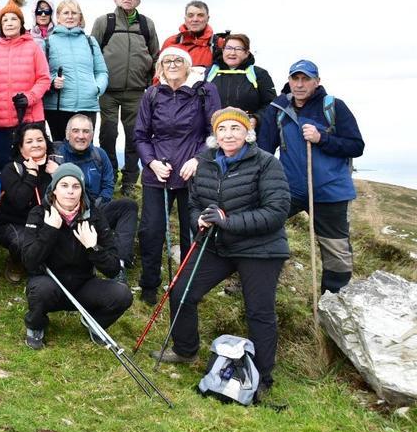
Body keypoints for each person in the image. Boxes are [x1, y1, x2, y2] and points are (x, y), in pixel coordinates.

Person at [152, 108, 291, 402]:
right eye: (222, 129)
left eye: (235, 128)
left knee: (259, 311)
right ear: (215, 134)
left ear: (247, 133)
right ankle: (185, 350)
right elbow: (194, 204)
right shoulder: (205, 162)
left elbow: (276, 211)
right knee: (181, 291)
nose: (228, 135)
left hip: (260, 248)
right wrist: (199, 220)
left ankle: (261, 375)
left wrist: (228, 222)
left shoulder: (267, 163)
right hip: (218, 245)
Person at [259, 60, 364, 293]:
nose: (299, 84)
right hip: (290, 188)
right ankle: (256, 281)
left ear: (317, 82)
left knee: (336, 250)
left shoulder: (333, 106)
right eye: (295, 79)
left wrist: (321, 138)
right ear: (289, 81)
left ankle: (334, 300)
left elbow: (356, 146)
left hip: (330, 190)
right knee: (261, 227)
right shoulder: (278, 108)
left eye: (305, 79)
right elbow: (264, 149)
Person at [134, 47, 220, 305]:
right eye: (166, 61)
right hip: (158, 175)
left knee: (190, 232)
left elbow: (214, 132)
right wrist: (151, 163)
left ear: (188, 65)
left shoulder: (205, 91)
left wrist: (198, 159)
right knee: (151, 231)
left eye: (178, 60)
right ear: (160, 67)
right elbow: (140, 135)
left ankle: (187, 285)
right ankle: (149, 284)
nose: (172, 65)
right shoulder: (152, 94)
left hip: (192, 175)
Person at [21, 164, 132, 349]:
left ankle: (94, 323)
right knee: (40, 290)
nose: (70, 191)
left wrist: (92, 247)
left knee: (122, 295)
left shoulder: (94, 216)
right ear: (54, 189)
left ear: (82, 190)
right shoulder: (39, 214)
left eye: (76, 186)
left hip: (83, 286)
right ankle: (36, 325)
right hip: (51, 284)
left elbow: (113, 269)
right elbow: (29, 261)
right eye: (64, 185)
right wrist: (50, 230)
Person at [0, 0, 51, 181]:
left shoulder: (33, 47)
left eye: (13, 19)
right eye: (5, 20)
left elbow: (44, 79)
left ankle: (34, 198)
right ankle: (6, 197)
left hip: (29, 118)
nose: (9, 23)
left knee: (32, 164)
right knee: (5, 165)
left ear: (21, 23)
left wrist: (29, 97)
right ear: (0, 25)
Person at [92, 0, 159, 195]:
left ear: (138, 0)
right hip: (108, 92)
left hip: (137, 92)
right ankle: (109, 175)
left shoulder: (147, 24)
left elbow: (155, 56)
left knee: (134, 136)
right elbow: (93, 53)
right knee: (108, 133)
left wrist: (150, 85)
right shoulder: (104, 22)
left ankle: (130, 180)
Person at [56, 114, 138, 281]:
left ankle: (120, 263)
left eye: (86, 131)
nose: (81, 136)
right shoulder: (57, 156)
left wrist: (97, 208)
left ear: (92, 135)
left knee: (128, 206)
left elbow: (108, 184)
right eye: (76, 131)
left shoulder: (99, 155)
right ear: (67, 134)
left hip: (96, 211)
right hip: (68, 216)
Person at [0, 124, 57, 283]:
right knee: (21, 242)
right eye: (29, 141)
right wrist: (32, 174)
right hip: (14, 223)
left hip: (47, 222)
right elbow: (19, 202)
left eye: (40, 140)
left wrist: (58, 174)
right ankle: (16, 262)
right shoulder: (11, 169)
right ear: (21, 148)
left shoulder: (55, 167)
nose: (36, 144)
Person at [43, 0, 108, 141]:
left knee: (85, 147)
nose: (70, 16)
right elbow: (41, 74)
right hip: (58, 107)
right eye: (66, 13)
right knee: (60, 148)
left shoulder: (90, 41)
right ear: (58, 17)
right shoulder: (47, 42)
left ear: (80, 17)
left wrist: (97, 88)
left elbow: (101, 72)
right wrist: (53, 81)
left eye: (74, 13)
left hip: (87, 105)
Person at [204, 33, 277, 132]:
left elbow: (271, 104)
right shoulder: (208, 73)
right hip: (213, 132)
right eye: (228, 48)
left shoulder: (259, 74)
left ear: (247, 53)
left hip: (247, 131)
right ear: (223, 50)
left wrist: (256, 118)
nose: (232, 53)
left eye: (238, 49)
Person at [160, 0, 223, 77]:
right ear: (185, 18)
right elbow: (159, 72)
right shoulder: (171, 42)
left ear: (208, 18)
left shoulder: (218, 43)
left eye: (200, 15)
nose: (195, 19)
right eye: (190, 15)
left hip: (207, 84)